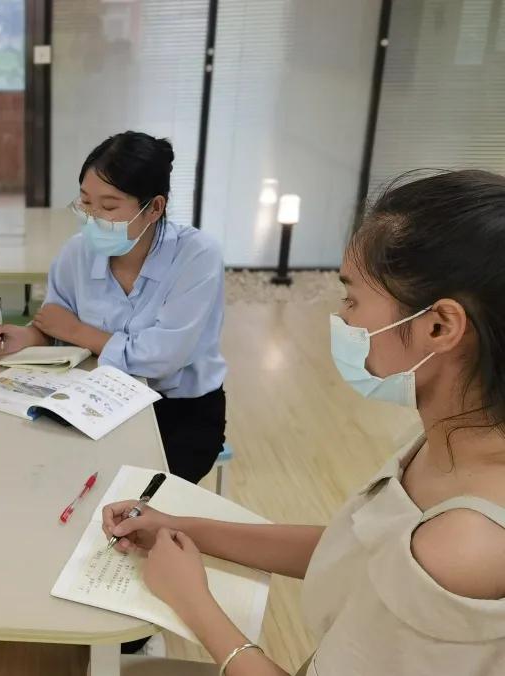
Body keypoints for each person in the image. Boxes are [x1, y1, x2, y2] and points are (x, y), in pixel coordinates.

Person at [102, 170, 505, 675]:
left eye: (353, 300)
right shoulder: (454, 435)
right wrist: (182, 528)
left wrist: (194, 602)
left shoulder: (463, 545)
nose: (343, 320)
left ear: (439, 326)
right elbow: (355, 549)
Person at [0, 131, 226, 484]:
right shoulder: (75, 252)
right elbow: (54, 322)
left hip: (179, 410)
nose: (92, 217)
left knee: (133, 501)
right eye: (85, 202)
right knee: (46, 478)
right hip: (94, 396)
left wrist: (78, 332)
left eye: (109, 207)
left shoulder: (197, 257)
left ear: (154, 208)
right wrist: (27, 338)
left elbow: (161, 358)